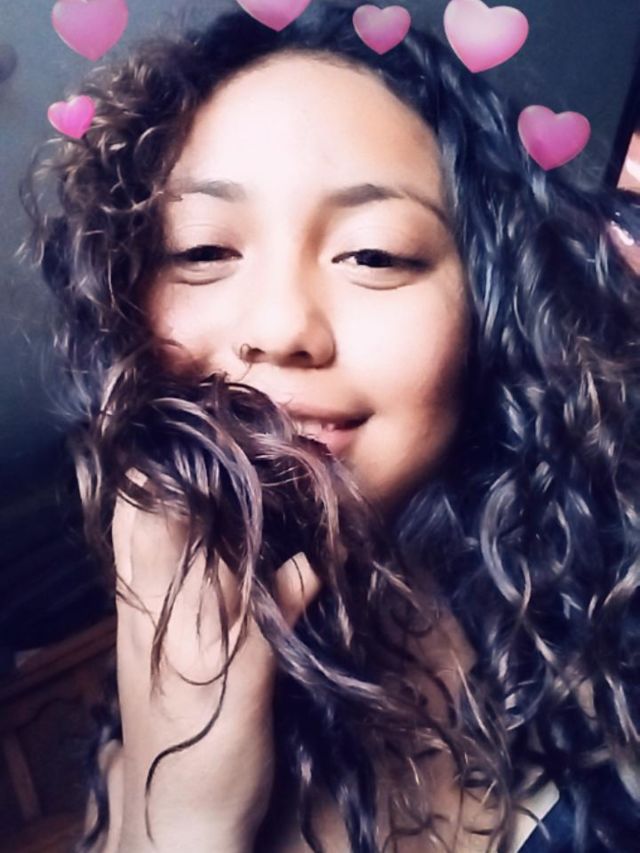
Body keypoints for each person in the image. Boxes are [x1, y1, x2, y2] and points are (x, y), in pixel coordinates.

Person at [20, 1, 640, 850]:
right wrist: (190, 814)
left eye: (374, 254)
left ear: (487, 313)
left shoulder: (609, 630)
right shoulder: (130, 795)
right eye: (202, 251)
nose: (281, 328)